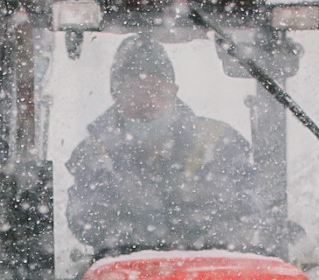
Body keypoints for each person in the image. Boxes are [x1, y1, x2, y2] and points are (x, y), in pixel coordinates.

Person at [64, 34, 284, 258]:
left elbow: (253, 207)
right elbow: (84, 220)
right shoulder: (95, 152)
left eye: (155, 91)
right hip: (124, 273)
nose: (146, 103)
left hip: (211, 272)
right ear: (116, 97)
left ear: (173, 91)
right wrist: (140, 219)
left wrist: (195, 216)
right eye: (134, 93)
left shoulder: (217, 142)